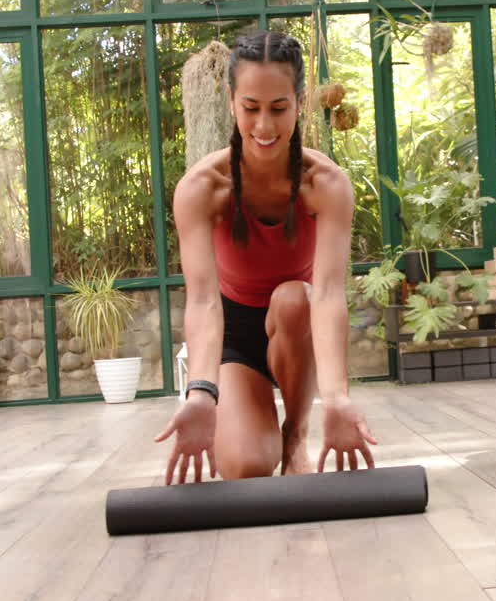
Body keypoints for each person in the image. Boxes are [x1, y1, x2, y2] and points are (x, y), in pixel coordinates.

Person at [156, 30, 376, 484]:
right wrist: (200, 394)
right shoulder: (201, 188)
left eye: (278, 108)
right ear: (232, 103)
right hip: (235, 336)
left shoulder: (327, 184)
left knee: (295, 298)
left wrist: (336, 397)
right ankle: (261, 430)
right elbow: (201, 301)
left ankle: (295, 434)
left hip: (298, 325)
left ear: (298, 103)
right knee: (246, 468)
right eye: (250, 108)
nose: (264, 127)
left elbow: (331, 294)